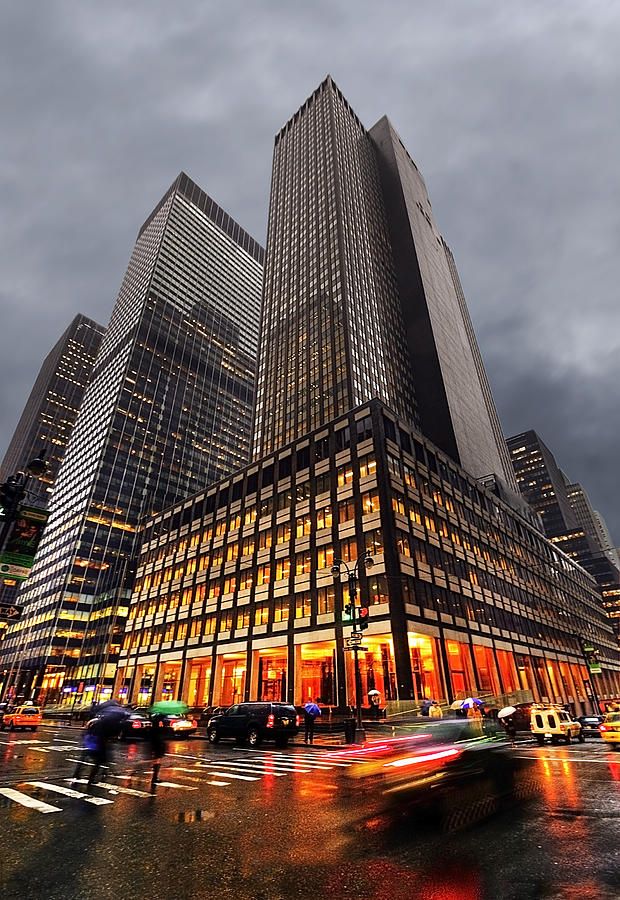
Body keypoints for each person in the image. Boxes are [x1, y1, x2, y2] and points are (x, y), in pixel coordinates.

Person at [147, 712, 168, 792]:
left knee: (157, 759)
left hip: (156, 743)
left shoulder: (154, 722)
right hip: (158, 743)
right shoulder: (158, 723)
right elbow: (161, 733)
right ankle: (154, 777)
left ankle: (155, 777)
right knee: (157, 759)